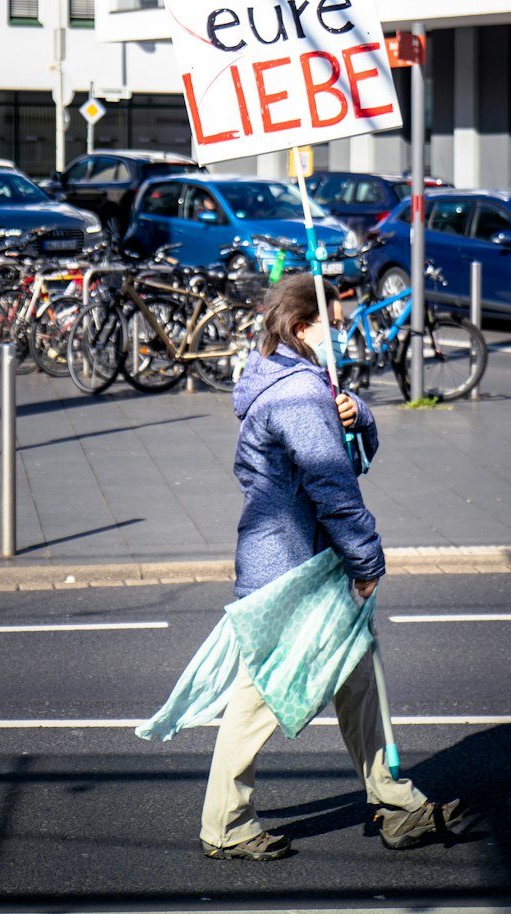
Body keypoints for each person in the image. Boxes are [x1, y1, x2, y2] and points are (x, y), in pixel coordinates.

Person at [200, 273, 468, 860]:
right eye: (334, 323)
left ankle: (394, 801)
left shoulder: (295, 381)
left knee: (357, 674)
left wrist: (356, 412)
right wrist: (368, 558)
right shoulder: (298, 396)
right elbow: (334, 485)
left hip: (304, 558)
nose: (342, 331)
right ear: (302, 327)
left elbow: (346, 445)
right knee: (260, 695)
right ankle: (226, 824)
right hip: (294, 566)